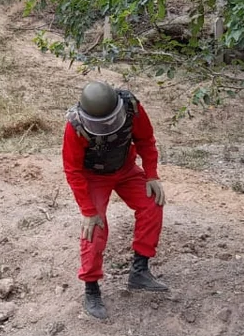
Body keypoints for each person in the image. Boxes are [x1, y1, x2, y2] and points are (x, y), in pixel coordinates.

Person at [62, 81, 167, 320]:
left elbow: (146, 140)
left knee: (152, 203)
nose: (107, 126)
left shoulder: (132, 107)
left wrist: (151, 175)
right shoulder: (75, 126)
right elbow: (72, 170)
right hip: (93, 177)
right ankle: (91, 289)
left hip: (125, 168)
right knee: (95, 227)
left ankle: (140, 271)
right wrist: (88, 210)